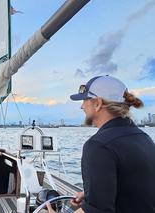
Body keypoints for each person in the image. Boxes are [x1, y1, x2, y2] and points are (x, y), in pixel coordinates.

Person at [46, 76, 155, 213]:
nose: (82, 106)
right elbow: (136, 189)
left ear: (97, 103)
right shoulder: (144, 138)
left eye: (85, 100)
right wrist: (93, 193)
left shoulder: (98, 146)